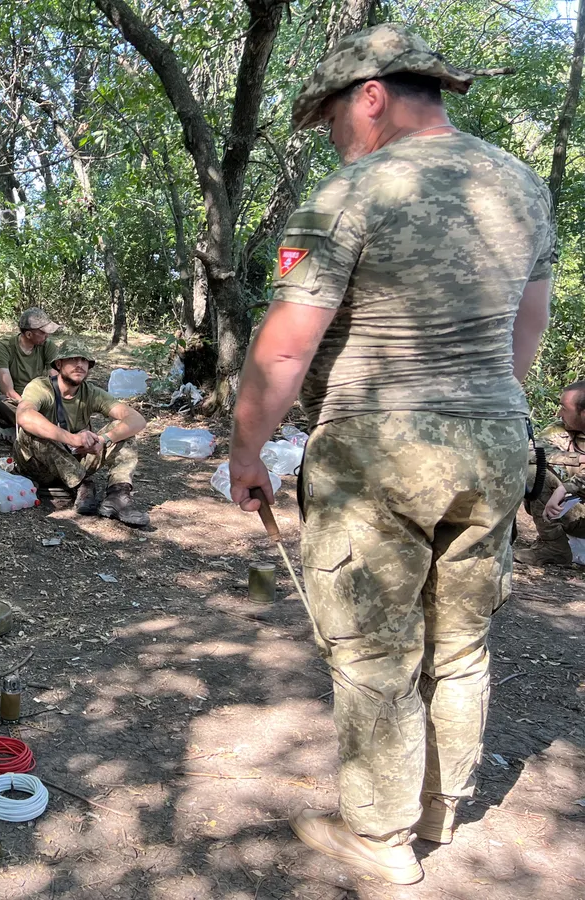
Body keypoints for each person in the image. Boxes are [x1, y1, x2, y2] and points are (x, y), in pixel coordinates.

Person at [226, 25, 554, 885]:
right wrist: (486, 408)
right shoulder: (521, 185)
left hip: (379, 446)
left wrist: (246, 450)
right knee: (463, 640)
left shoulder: (350, 193)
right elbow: (528, 328)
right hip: (493, 438)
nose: (332, 134)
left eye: (332, 115)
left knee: (374, 654)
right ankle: (444, 807)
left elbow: (287, 347)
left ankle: (380, 841)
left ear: (370, 95)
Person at [14, 339, 149, 527]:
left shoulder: (90, 392)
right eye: (73, 359)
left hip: (77, 459)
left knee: (123, 430)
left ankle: (117, 496)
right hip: (41, 466)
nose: (80, 365)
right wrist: (72, 438)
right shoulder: (41, 387)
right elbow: (24, 416)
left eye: (85, 361)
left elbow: (137, 419)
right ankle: (83, 485)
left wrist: (103, 439)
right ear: (59, 364)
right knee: (32, 431)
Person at [515, 380, 585, 566]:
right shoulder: (562, 428)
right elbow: (528, 451)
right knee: (534, 473)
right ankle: (554, 548)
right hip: (572, 512)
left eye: (564, 408)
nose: (559, 413)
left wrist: (565, 488)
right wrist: (575, 459)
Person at [0, 307, 61, 439]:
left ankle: (39, 428)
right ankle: (39, 427)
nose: (47, 336)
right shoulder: (4, 348)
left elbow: (55, 379)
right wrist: (29, 410)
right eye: (43, 333)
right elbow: (8, 391)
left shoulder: (47, 346)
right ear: (28, 334)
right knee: (0, 404)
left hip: (41, 400)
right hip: (17, 402)